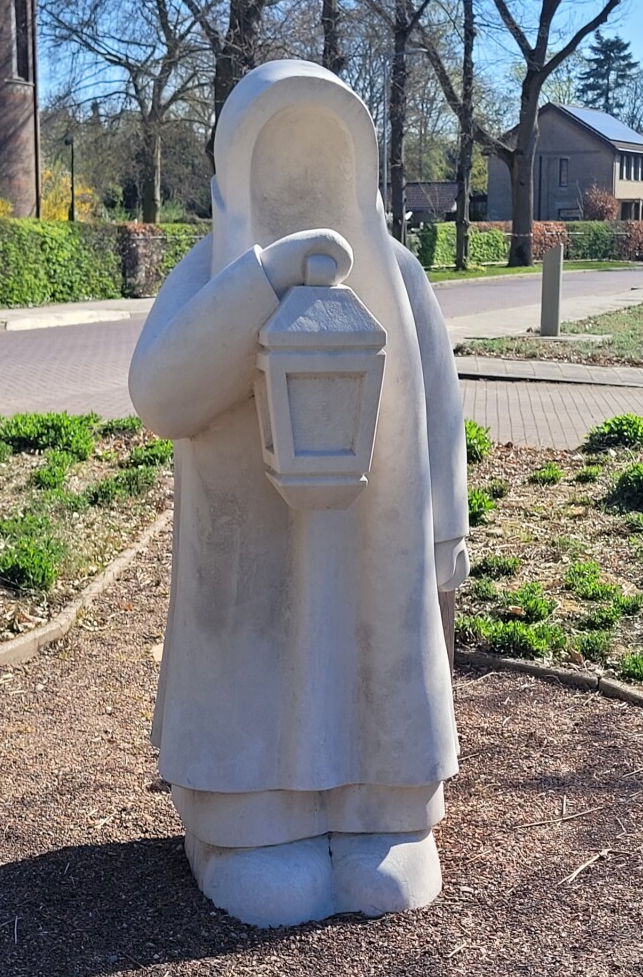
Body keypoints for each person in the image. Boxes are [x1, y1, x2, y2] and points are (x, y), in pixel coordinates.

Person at [129, 60, 469, 927]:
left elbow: (438, 408)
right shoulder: (212, 275)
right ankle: (244, 824)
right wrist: (261, 279)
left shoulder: (398, 277)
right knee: (258, 679)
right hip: (246, 550)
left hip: (378, 542)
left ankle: (380, 813)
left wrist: (444, 536)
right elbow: (162, 396)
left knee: (375, 679)